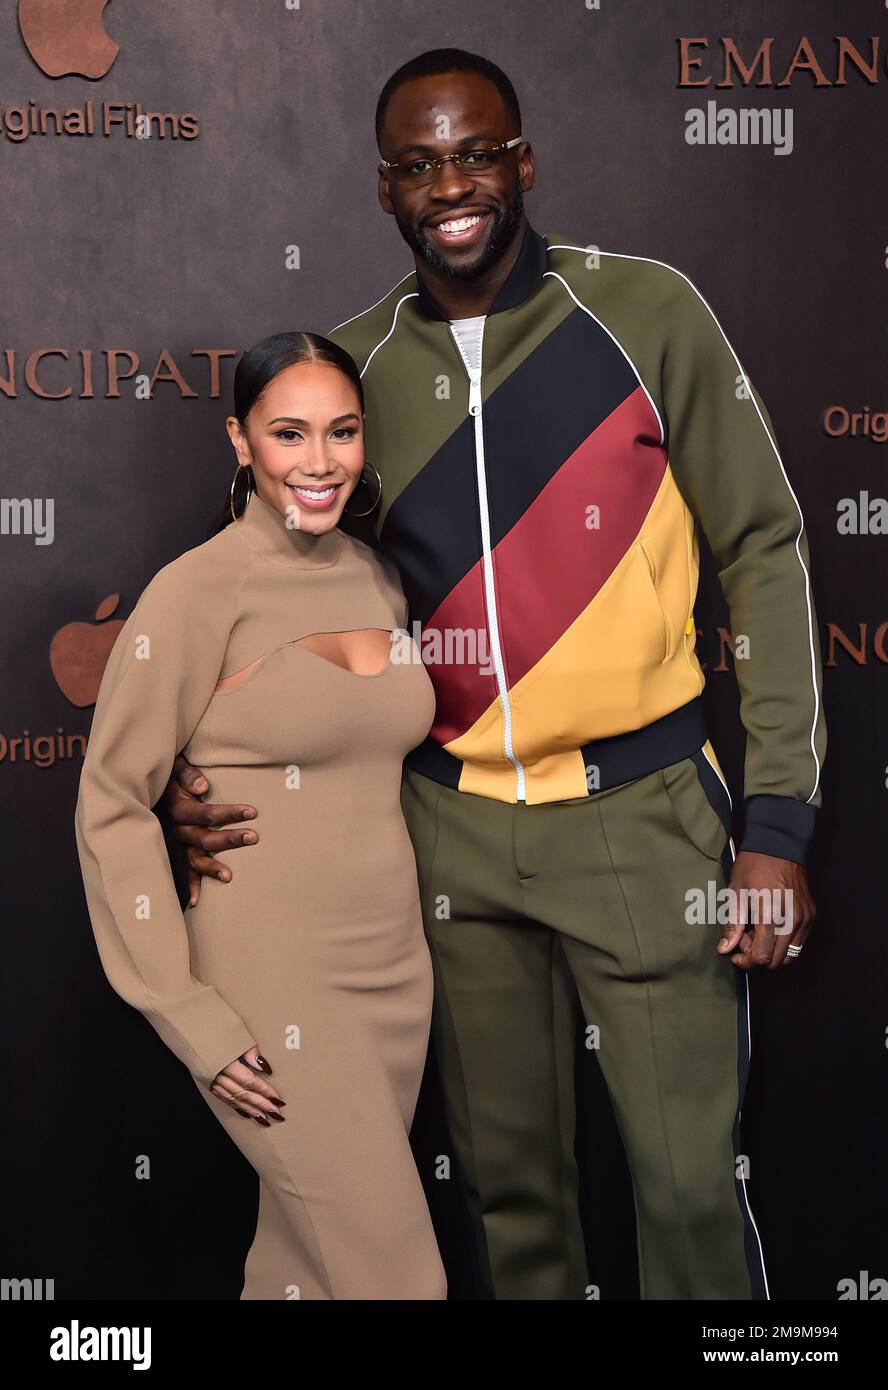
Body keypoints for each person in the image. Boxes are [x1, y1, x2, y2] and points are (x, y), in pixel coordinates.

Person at [164, 50, 826, 1300]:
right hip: (445, 834)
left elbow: (767, 550)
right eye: (420, 165)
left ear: (523, 162)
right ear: (384, 191)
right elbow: (253, 587)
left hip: (645, 818)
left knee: (690, 1192)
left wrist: (778, 822)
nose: (452, 185)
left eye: (477, 153)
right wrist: (190, 763)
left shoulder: (645, 311)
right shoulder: (347, 374)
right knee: (509, 1195)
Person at [75, 331, 447, 1301]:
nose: (319, 461)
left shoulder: (376, 576)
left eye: (342, 432)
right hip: (272, 983)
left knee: (303, 1270)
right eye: (289, 433)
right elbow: (111, 803)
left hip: (395, 972)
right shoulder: (195, 590)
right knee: (395, 1278)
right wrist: (188, 1012)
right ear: (240, 440)